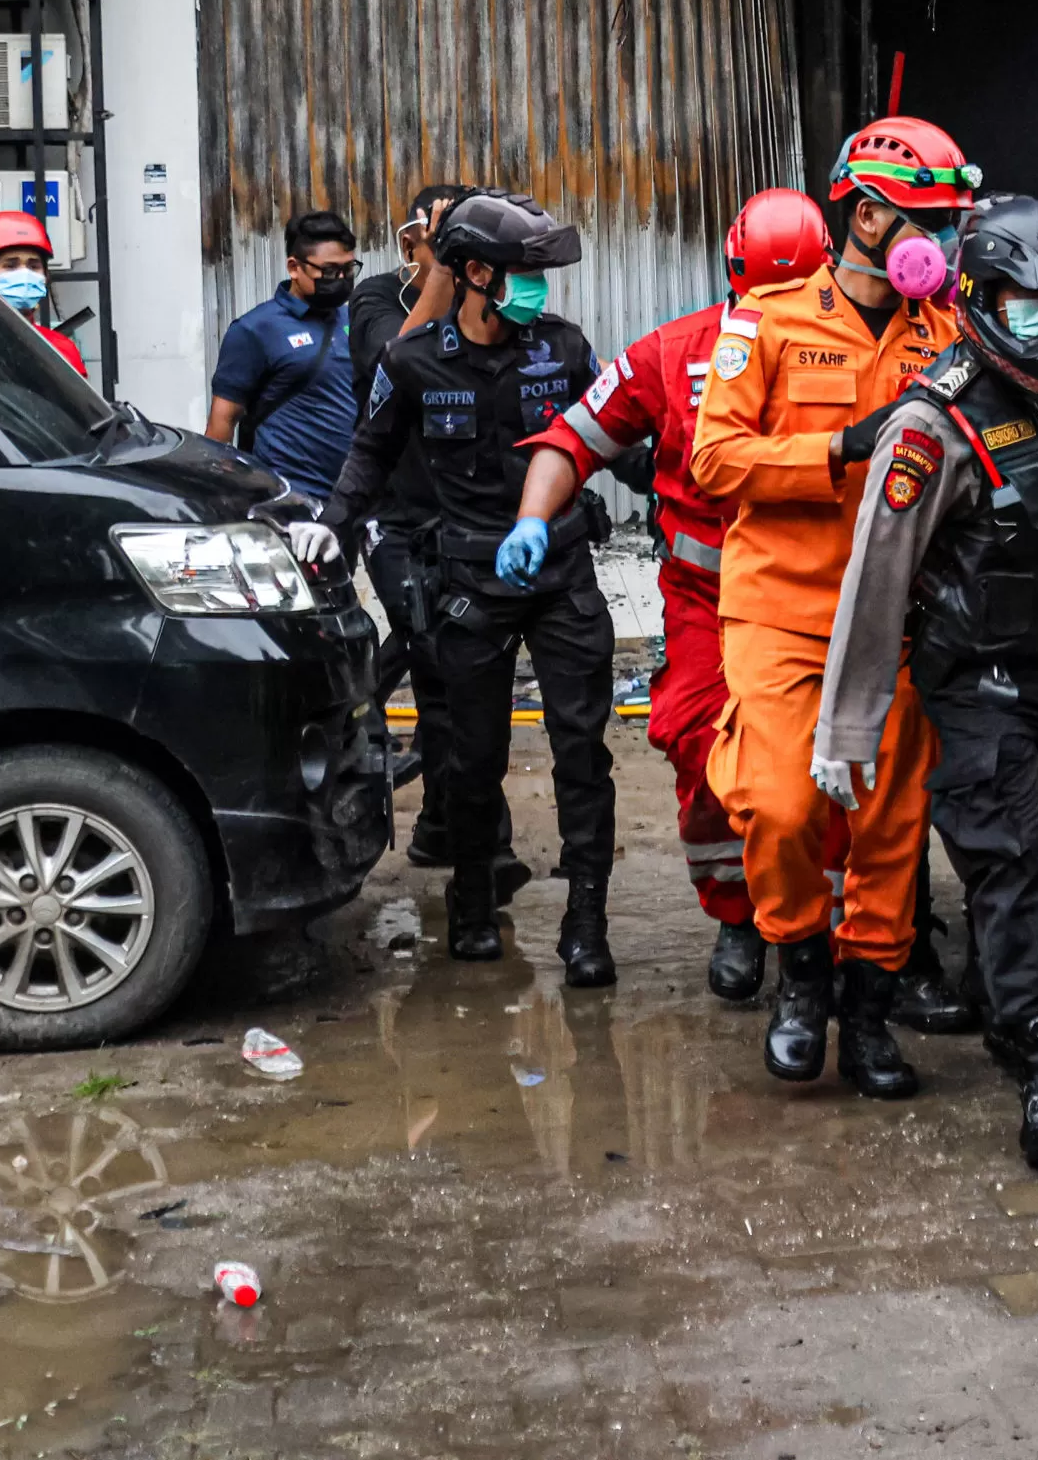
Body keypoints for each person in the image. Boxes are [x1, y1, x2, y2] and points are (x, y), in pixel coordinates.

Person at [810, 195, 1038, 1167]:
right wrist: (846, 728)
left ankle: (1012, 1000)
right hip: (979, 681)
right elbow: (876, 582)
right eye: (1031, 306)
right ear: (982, 299)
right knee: (1009, 859)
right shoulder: (931, 427)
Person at [690, 120, 971, 1094]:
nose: (943, 239)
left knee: (894, 828)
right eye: (928, 220)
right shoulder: (763, 325)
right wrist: (842, 450)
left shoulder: (951, 335)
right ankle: (800, 971)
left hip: (901, 619)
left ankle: (868, 1013)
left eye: (951, 221)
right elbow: (715, 460)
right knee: (779, 803)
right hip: (781, 610)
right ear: (866, 214)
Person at [514, 188, 832, 1005]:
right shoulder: (674, 353)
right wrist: (530, 519)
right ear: (734, 278)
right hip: (709, 600)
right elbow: (576, 436)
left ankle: (828, 921)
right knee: (698, 745)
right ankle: (738, 912)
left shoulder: (851, 349)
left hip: (823, 599)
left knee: (835, 762)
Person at [303, 190, 618, 987]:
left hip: (562, 574)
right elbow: (369, 454)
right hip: (471, 582)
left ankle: (587, 923)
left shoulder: (565, 347)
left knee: (581, 752)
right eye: (525, 272)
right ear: (476, 272)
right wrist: (329, 528)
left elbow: (620, 436)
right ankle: (472, 906)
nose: (540, 289)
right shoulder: (413, 361)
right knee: (473, 757)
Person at [348, 181, 519, 892]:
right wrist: (443, 271)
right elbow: (394, 359)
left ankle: (443, 828)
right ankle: (484, 846)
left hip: (468, 523)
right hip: (399, 524)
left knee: (454, 679)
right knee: (443, 667)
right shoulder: (378, 300)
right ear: (410, 238)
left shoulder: (493, 299)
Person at [207, 210, 362, 507]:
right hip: (289, 503)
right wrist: (223, 500)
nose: (341, 279)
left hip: (353, 502)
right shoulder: (255, 330)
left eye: (348, 269)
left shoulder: (356, 317)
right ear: (294, 267)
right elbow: (221, 424)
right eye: (329, 272)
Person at [0, 209, 87, 377]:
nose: (25, 274)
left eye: (33, 266)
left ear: (45, 277)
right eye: (11, 265)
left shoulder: (62, 352)